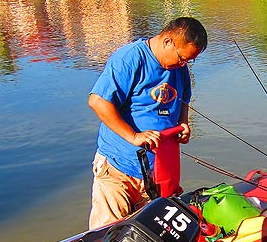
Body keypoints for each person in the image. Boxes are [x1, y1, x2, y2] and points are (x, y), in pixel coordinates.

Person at [88, 16, 208, 229]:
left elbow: (182, 101)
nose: (183, 64)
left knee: (149, 235)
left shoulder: (179, 69)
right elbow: (98, 102)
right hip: (119, 168)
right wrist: (133, 136)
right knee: (108, 234)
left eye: (189, 61)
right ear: (168, 41)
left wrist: (183, 124)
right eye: (181, 58)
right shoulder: (130, 59)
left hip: (156, 173)